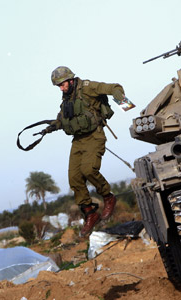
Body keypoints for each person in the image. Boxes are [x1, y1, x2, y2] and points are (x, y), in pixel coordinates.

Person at [43, 66, 132, 236]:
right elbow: (62, 118)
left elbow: (114, 87)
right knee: (74, 179)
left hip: (94, 136)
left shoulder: (88, 87)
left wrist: (124, 103)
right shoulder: (67, 97)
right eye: (58, 86)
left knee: (88, 169)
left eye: (62, 85)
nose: (61, 89)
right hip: (77, 141)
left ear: (70, 80)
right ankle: (90, 213)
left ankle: (108, 197)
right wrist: (52, 127)